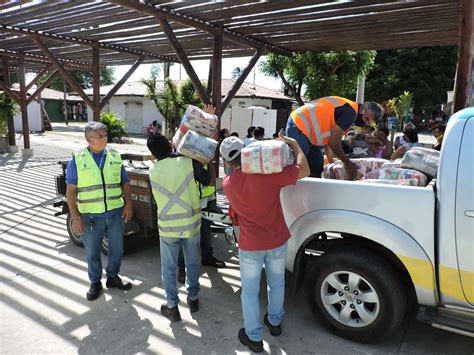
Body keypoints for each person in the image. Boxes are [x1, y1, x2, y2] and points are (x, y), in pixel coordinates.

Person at [220, 134, 310, 353]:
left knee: (249, 292)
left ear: (228, 162)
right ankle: (275, 323)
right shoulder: (269, 175)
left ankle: (254, 338)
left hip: (250, 245)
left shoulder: (228, 183)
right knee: (277, 283)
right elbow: (305, 170)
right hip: (277, 240)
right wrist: (296, 145)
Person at [147, 134, 215, 322]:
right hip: (190, 225)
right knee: (192, 262)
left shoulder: (153, 171)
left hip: (168, 227)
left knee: (168, 268)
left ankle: (172, 306)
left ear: (152, 154)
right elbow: (209, 181)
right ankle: (193, 299)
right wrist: (209, 160)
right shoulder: (188, 163)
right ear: (171, 145)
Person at [65, 122, 133, 301]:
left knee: (117, 249)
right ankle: (95, 282)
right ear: (89, 140)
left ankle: (112, 277)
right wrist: (75, 217)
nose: (105, 138)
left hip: (115, 212)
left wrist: (128, 204)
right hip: (90, 216)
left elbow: (124, 181)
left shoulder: (114, 156)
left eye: (105, 134)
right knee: (92, 252)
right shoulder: (77, 160)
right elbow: (70, 191)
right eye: (101, 136)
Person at [286, 96, 383, 179]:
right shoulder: (350, 112)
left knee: (317, 166)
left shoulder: (348, 111)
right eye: (366, 118)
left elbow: (328, 139)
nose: (364, 122)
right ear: (363, 108)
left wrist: (331, 161)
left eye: (367, 122)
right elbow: (334, 142)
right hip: (299, 125)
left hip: (308, 132)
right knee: (299, 166)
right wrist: (347, 163)